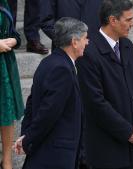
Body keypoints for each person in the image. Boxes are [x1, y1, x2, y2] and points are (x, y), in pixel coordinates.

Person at [76, 0, 133, 169]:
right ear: (113, 20)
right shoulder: (89, 52)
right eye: (128, 20)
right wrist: (127, 132)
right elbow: (95, 103)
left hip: (131, 147)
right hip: (105, 150)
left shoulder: (127, 46)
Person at [13, 17, 88, 169]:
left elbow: (32, 103)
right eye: (85, 38)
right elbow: (48, 113)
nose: (87, 42)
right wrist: (28, 141)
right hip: (54, 158)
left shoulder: (49, 62)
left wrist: (26, 135)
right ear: (74, 42)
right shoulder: (62, 69)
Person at [0, 0, 24, 168]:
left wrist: (14, 41)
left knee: (6, 112)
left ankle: (7, 159)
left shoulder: (3, 3)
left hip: (5, 66)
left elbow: (14, 33)